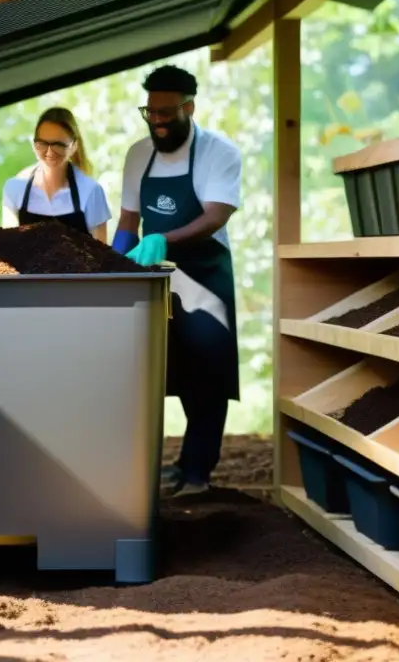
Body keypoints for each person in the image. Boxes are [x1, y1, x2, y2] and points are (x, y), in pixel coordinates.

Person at [112, 64, 241, 497]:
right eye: (150, 113)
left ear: (189, 107)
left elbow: (215, 216)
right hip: (156, 277)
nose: (158, 121)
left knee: (207, 365)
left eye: (167, 112)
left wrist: (163, 237)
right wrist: (114, 264)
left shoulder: (219, 153)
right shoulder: (137, 155)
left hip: (205, 273)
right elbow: (129, 220)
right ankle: (168, 466)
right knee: (160, 369)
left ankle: (198, 472)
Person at [1, 106, 111, 241]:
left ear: (74, 146)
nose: (49, 152)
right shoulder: (15, 187)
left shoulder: (91, 192)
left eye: (58, 145)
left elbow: (102, 256)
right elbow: (7, 249)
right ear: (34, 144)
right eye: (42, 143)